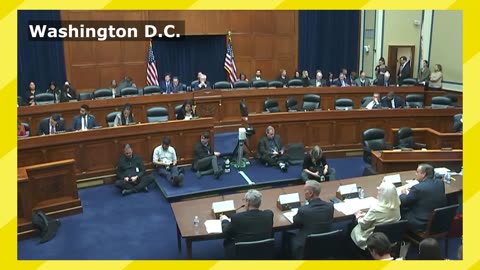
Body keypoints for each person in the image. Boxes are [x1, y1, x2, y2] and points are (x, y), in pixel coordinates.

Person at [220, 189, 273, 259]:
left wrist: (224, 220)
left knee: (227, 241)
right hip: (265, 253)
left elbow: (226, 232)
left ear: (247, 202)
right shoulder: (269, 214)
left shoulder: (237, 218)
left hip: (243, 255)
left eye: (244, 200)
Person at [287, 180, 334, 259]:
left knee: (289, 235)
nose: (304, 193)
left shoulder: (304, 210)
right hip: (326, 242)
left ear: (310, 193)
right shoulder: (330, 206)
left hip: (306, 245)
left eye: (305, 191)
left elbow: (296, 221)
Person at [350, 182, 401, 254]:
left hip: (373, 240)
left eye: (379, 191)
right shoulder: (397, 206)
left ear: (383, 194)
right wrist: (368, 215)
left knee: (352, 227)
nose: (378, 192)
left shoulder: (376, 209)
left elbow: (363, 225)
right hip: (390, 239)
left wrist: (358, 216)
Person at [400, 163, 447, 231]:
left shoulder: (417, 188)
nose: (416, 174)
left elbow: (405, 201)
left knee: (401, 210)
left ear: (423, 174)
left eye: (417, 172)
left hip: (422, 222)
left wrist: (403, 194)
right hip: (438, 220)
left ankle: (402, 237)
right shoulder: (440, 183)